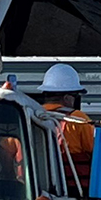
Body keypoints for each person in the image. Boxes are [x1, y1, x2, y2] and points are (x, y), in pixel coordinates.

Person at [38, 62, 94, 193]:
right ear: (68, 98)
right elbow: (95, 153)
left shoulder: (27, 117)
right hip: (75, 192)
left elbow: (6, 152)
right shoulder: (78, 119)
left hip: (34, 193)